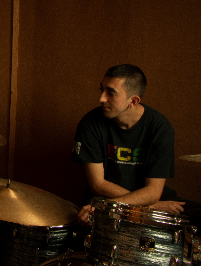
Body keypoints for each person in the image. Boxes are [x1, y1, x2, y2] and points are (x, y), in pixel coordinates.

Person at [71, 64, 190, 225]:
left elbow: (153, 191)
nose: (101, 99)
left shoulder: (160, 128)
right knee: (91, 214)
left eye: (111, 93)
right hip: (106, 196)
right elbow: (98, 185)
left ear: (133, 101)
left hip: (151, 197)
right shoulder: (90, 124)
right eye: (102, 89)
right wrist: (148, 207)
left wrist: (143, 202)